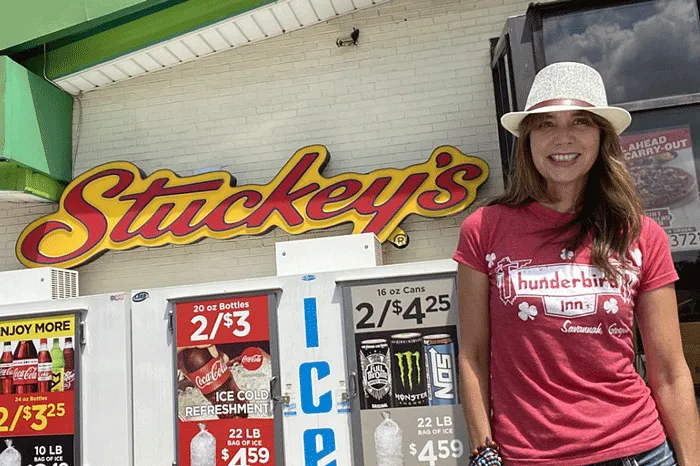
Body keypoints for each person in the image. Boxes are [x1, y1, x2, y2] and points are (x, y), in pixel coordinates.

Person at [453, 61, 700, 466]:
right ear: (528, 138)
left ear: (601, 136)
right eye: (546, 124)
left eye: (580, 122)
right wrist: (484, 449)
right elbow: (473, 355)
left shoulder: (641, 234)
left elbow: (671, 372)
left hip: (638, 452)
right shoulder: (484, 229)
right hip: (529, 457)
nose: (562, 137)